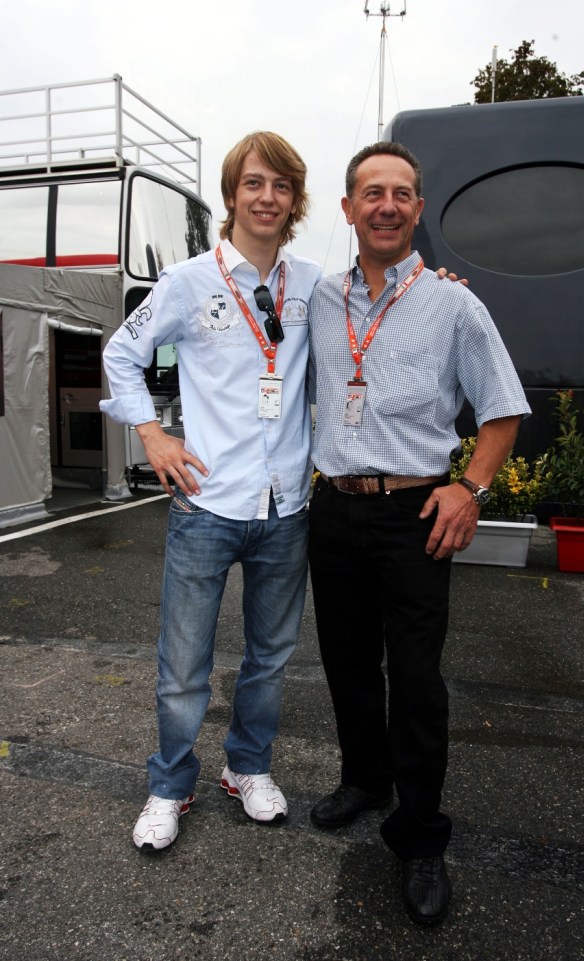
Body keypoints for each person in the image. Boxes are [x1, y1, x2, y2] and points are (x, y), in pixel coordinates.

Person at [307, 142, 531, 925]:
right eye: (372, 192)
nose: (388, 205)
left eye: (402, 192)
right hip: (333, 510)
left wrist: (469, 489)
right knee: (346, 661)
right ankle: (364, 778)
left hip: (415, 515)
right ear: (347, 209)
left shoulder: (454, 303)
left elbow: (501, 409)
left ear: (418, 208)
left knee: (417, 678)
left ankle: (420, 834)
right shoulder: (317, 299)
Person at [100, 131, 322, 850]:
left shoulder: (314, 284)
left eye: (281, 186)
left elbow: (378, 306)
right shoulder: (190, 282)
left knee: (270, 656)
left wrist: (440, 284)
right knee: (183, 663)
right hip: (206, 506)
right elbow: (121, 353)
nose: (267, 197)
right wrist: (152, 435)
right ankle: (169, 782)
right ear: (232, 195)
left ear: (295, 201)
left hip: (285, 509)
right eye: (254, 183)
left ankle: (247, 768)